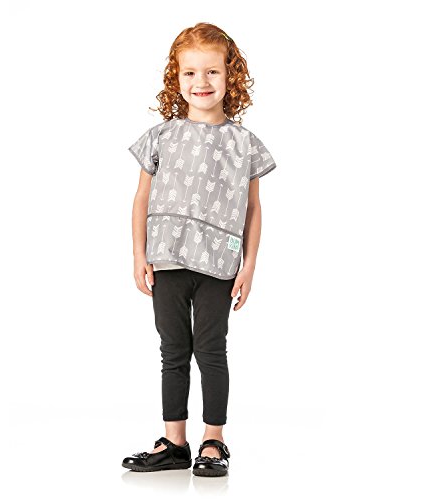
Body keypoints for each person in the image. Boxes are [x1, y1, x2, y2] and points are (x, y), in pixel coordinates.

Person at [122, 22, 277, 477]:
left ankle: (214, 440)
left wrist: (249, 265)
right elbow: (141, 199)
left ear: (231, 76)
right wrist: (138, 254)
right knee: (173, 350)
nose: (201, 82)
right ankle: (174, 442)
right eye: (190, 73)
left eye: (212, 72)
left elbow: (253, 208)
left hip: (218, 264)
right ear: (177, 77)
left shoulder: (244, 143)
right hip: (167, 258)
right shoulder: (161, 136)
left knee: (211, 349)